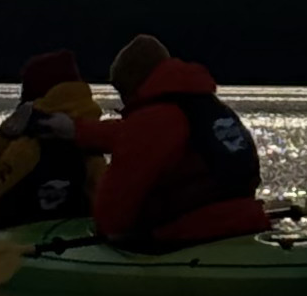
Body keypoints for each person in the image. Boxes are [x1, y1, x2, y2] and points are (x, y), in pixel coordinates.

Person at [85, 33, 270, 246]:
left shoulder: (154, 118)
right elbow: (127, 134)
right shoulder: (206, 107)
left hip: (189, 235)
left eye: (121, 91)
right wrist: (77, 131)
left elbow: (112, 212)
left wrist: (107, 233)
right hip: (247, 221)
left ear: (132, 84)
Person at [0, 49, 100, 230]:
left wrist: (2, 137)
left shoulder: (28, 146)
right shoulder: (91, 141)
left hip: (20, 237)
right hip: (72, 236)